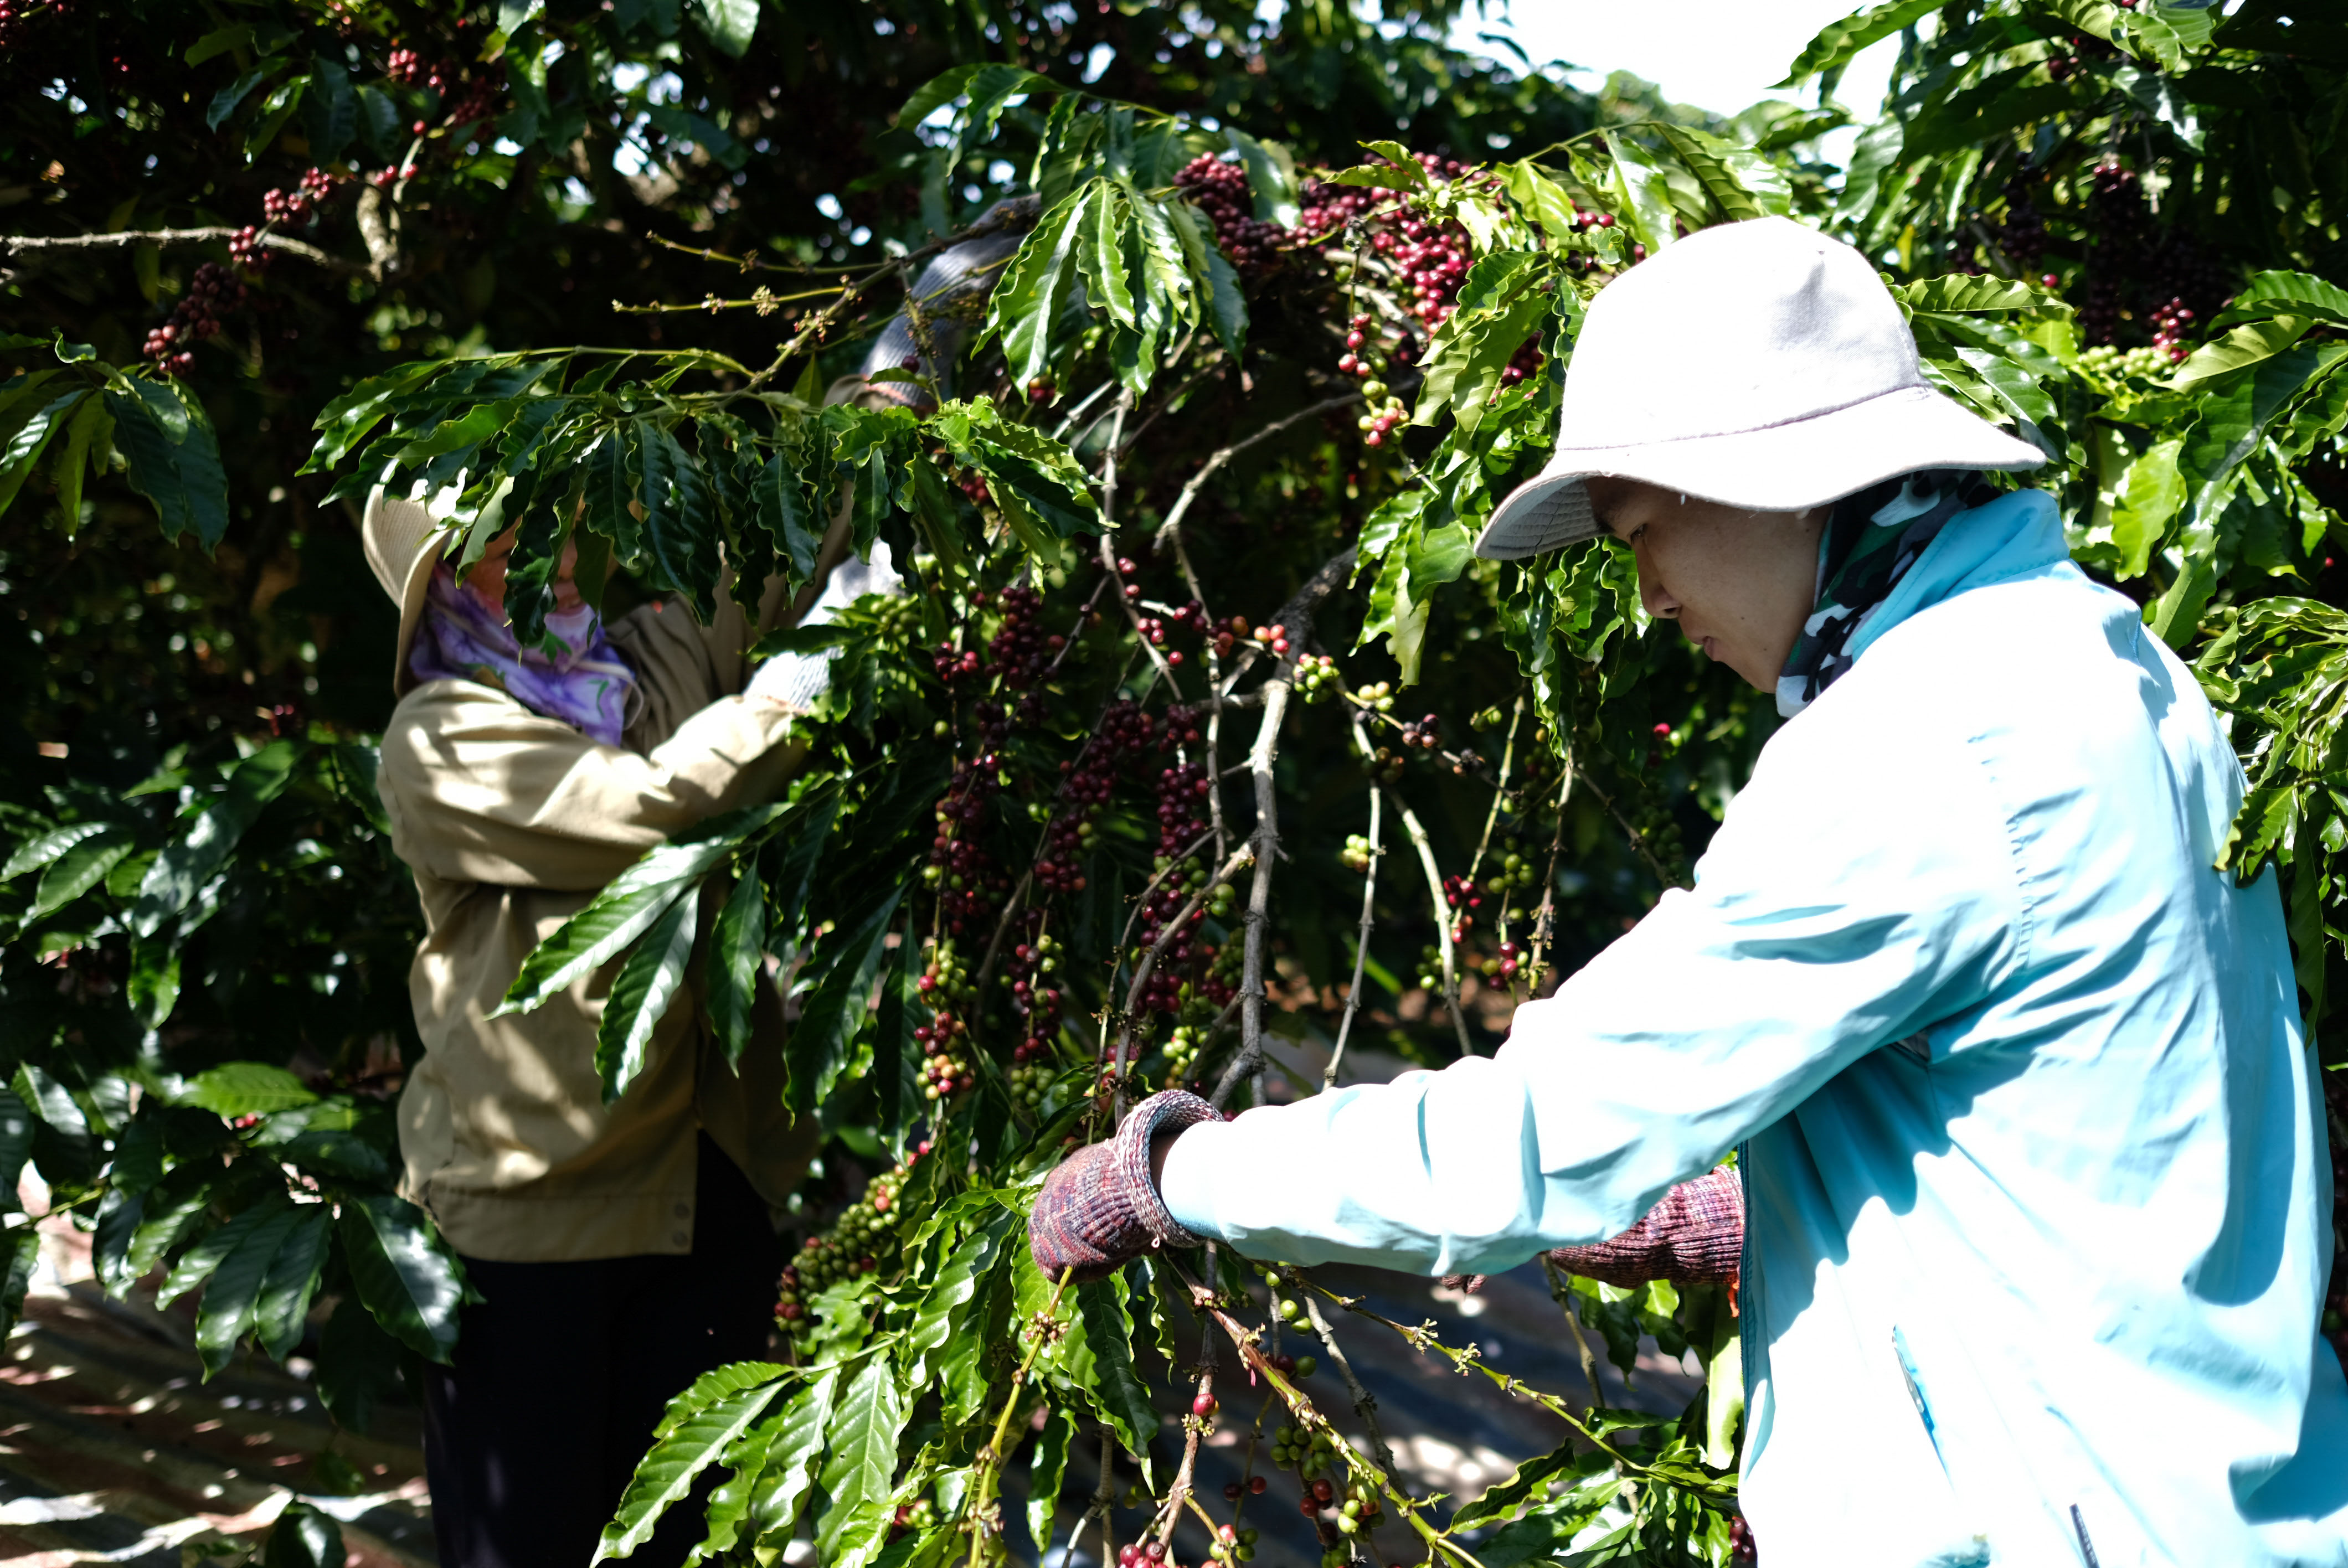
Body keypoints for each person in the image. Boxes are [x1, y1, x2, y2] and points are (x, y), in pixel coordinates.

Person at [1028, 217, 2348, 1564]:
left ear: (1783, 484)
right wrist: (1781, 1209)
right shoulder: (2103, 669)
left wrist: (1180, 1176)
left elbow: (1518, 1151)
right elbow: (2119, 1113)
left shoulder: (1915, 747)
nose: (1648, 596)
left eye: (1641, 528)